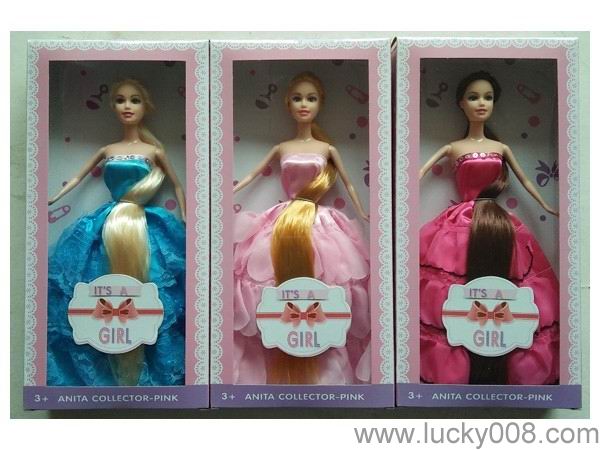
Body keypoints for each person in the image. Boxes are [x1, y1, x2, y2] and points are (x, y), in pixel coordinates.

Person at [419, 71, 560, 385]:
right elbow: (419, 172)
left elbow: (525, 181)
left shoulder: (501, 147)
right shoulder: (452, 147)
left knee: (511, 278)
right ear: (460, 103)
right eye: (473, 97)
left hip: (496, 223)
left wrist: (547, 206)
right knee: (451, 280)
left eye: (488, 97)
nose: (481, 103)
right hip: (459, 226)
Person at [233, 71, 371, 384]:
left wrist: (362, 211)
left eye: (311, 98)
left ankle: (319, 350)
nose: (304, 104)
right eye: (297, 98)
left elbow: (349, 183)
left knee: (330, 277)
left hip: (319, 223)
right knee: (268, 275)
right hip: (284, 221)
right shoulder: (282, 147)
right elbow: (254, 174)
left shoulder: (327, 150)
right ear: (287, 104)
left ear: (321, 103)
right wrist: (229, 190)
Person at [47, 79, 186, 386]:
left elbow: (177, 184)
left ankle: (151, 363)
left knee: (154, 281)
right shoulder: (107, 149)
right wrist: (55, 196)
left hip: (143, 223)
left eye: (135, 100)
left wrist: (186, 214)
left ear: (146, 106)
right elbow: (78, 178)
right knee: (95, 276)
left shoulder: (154, 151)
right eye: (121, 100)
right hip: (109, 222)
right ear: (112, 106)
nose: (127, 106)